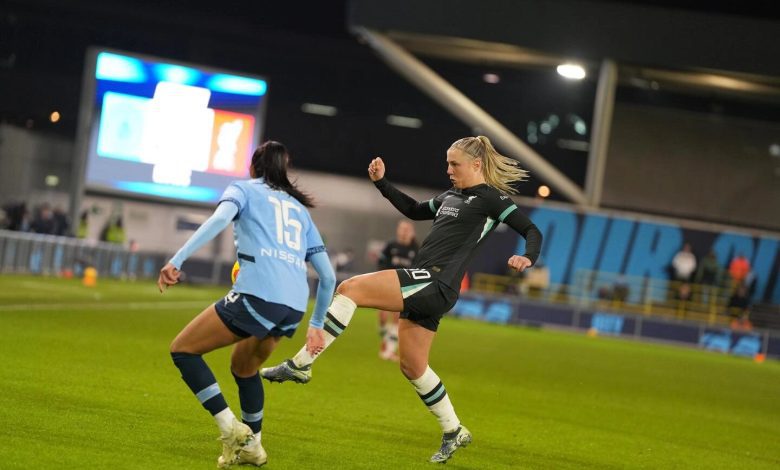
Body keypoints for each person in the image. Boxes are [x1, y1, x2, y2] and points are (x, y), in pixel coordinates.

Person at [261, 135, 543, 464]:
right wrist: (382, 183)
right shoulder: (451, 196)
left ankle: (300, 365)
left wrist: (528, 258)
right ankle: (454, 430)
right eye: (447, 163)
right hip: (428, 285)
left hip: (436, 281)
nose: (448, 169)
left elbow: (531, 230)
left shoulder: (492, 199)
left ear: (476, 165)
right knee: (412, 366)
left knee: (349, 289)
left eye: (455, 164)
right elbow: (413, 209)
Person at [157, 141, 336, 468]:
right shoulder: (299, 209)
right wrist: (315, 324)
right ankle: (253, 447)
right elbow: (327, 276)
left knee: (183, 349)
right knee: (244, 368)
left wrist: (177, 259)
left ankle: (229, 428)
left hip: (257, 294)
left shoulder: (244, 189)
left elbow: (217, 220)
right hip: (293, 306)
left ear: (254, 167)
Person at [376, 220, 418, 361]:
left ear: (411, 232)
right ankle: (384, 340)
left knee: (396, 318)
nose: (404, 232)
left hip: (402, 288)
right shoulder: (391, 245)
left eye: (407, 229)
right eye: (402, 229)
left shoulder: (415, 249)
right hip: (387, 284)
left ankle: (389, 350)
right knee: (382, 317)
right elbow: (381, 262)